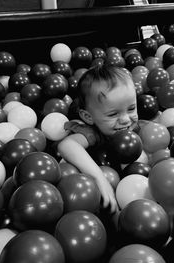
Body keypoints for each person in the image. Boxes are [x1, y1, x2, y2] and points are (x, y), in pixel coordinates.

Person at [57, 64, 139, 214]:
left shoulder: (132, 128)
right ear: (88, 117)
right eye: (113, 114)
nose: (126, 120)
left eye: (131, 108)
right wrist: (99, 178)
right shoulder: (92, 132)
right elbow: (67, 145)